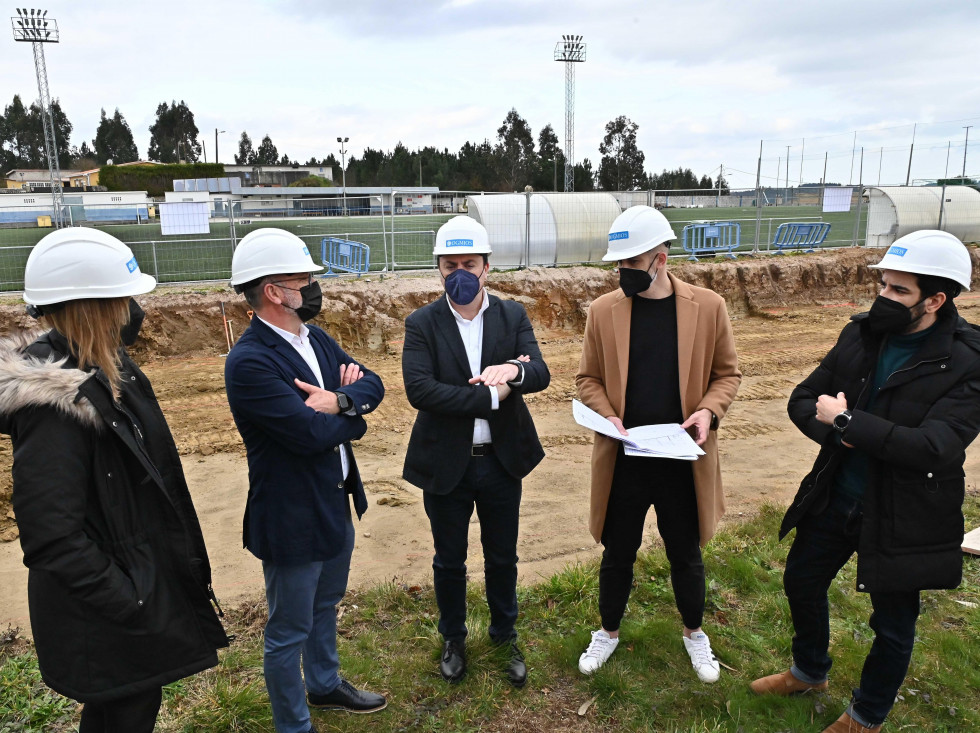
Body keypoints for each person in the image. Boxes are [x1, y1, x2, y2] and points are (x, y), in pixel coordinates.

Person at [750, 230, 980, 732]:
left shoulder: (966, 361)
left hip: (906, 512)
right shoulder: (860, 335)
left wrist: (849, 423)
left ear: (936, 300)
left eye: (900, 291)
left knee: (893, 626)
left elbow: (937, 446)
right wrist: (839, 437)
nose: (884, 298)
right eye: (883, 286)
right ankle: (809, 671)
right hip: (838, 494)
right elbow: (802, 398)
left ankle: (866, 715)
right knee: (801, 581)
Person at [0, 227, 228, 732]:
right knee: (123, 716)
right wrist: (132, 600)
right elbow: (51, 535)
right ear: (96, 307)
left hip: (126, 591)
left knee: (130, 710)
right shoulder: (55, 404)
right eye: (125, 298)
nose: (134, 310)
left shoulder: (108, 369)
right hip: (106, 611)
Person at [224, 228, 386, 733]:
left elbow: (372, 384)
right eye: (306, 278)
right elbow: (309, 435)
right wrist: (352, 416)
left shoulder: (313, 337)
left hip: (333, 501)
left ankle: (324, 684)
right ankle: (294, 725)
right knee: (288, 628)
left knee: (325, 603)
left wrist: (339, 400)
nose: (315, 286)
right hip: (291, 514)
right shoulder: (250, 361)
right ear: (274, 291)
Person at [575, 205, 741, 682]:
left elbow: (726, 374)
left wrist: (708, 411)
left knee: (685, 552)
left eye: (632, 264)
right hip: (625, 457)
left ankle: (694, 634)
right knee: (618, 550)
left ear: (661, 258)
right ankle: (607, 632)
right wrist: (608, 415)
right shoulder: (603, 312)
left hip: (681, 457)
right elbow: (588, 377)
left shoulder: (708, 307)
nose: (623, 273)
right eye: (619, 266)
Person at [402, 216, 550, 687]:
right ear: (438, 269)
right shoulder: (421, 323)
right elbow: (421, 391)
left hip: (502, 463)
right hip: (447, 465)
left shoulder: (512, 315)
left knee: (502, 556)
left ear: (487, 266)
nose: (459, 273)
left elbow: (539, 373)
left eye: (469, 263)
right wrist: (492, 395)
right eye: (450, 265)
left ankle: (505, 635)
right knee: (449, 559)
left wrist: (513, 370)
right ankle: (453, 638)